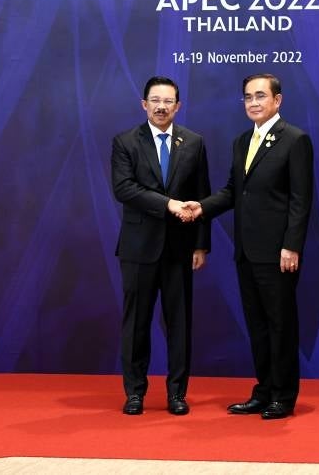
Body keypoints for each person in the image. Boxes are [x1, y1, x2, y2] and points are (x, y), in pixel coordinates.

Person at [185, 73, 313, 420]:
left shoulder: (295, 139)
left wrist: (292, 245)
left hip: (278, 253)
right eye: (248, 97)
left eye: (260, 95)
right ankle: (264, 391)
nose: (253, 102)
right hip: (246, 251)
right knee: (257, 326)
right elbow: (233, 191)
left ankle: (283, 396)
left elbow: (301, 199)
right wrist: (201, 207)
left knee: (280, 325)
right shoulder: (242, 141)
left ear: (277, 100)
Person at [111, 76, 211, 416]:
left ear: (178, 106)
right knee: (136, 324)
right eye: (155, 100)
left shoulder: (194, 142)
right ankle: (135, 393)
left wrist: (201, 244)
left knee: (179, 325)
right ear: (144, 104)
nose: (161, 107)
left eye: (168, 101)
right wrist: (168, 204)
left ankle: (177, 394)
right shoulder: (126, 142)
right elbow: (124, 188)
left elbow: (202, 195)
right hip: (138, 248)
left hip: (180, 249)